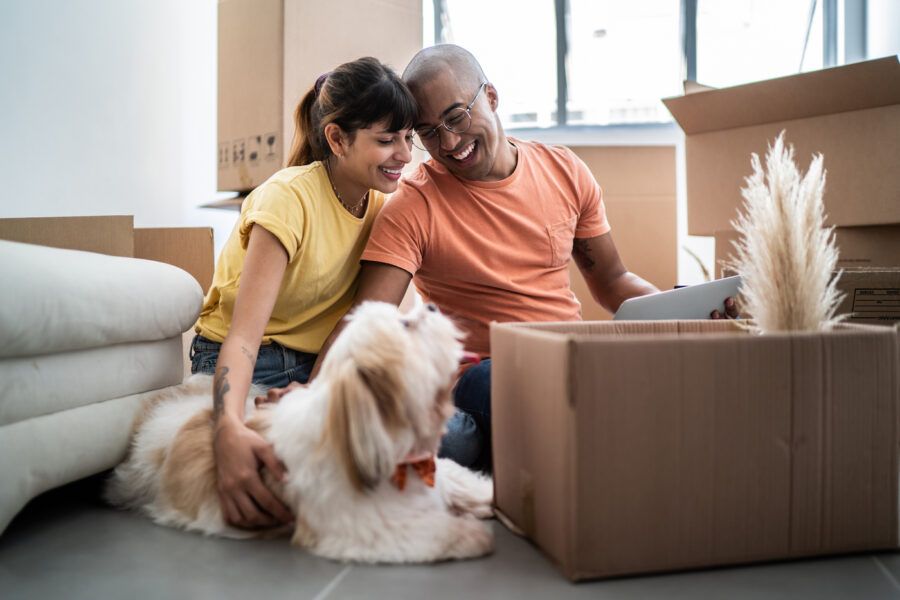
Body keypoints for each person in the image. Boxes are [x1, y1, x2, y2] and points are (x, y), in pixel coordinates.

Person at [306, 44, 738, 472]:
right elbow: (366, 318)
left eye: (456, 117)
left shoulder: (564, 170)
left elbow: (613, 283)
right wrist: (310, 402)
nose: (450, 142)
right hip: (484, 381)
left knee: (662, 380)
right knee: (485, 387)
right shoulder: (414, 204)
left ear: (491, 97)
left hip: (573, 364)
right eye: (429, 132)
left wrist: (687, 314)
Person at [189, 56, 417, 528]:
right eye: (386, 140)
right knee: (287, 466)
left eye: (408, 137)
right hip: (250, 357)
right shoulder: (287, 199)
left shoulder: (382, 204)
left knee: (401, 436)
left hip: (316, 366)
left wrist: (314, 390)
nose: (404, 155)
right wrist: (226, 429)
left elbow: (360, 322)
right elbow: (243, 338)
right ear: (337, 138)